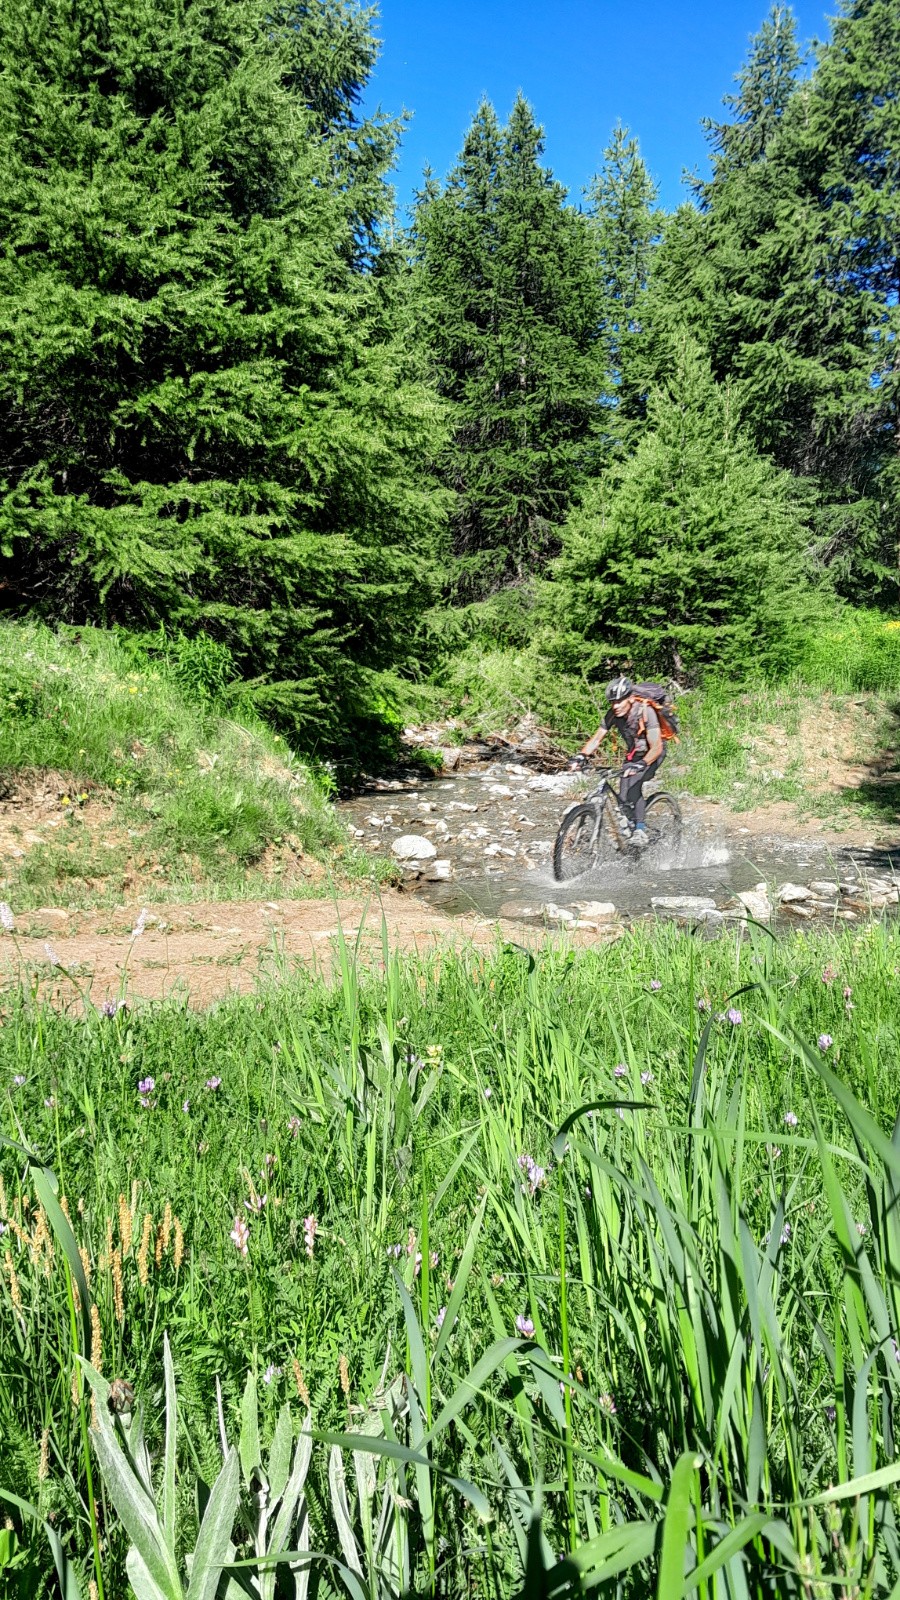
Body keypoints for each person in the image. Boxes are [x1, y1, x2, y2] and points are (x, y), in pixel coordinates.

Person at [569, 676, 664, 848]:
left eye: (620, 701)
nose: (616, 706)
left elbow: (656, 746)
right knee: (623, 792)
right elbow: (597, 738)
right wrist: (582, 755)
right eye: (613, 702)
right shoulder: (613, 714)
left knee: (634, 786)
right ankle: (629, 828)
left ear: (630, 698)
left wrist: (642, 764)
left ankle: (640, 830)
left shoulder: (645, 711)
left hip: (652, 755)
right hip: (634, 755)